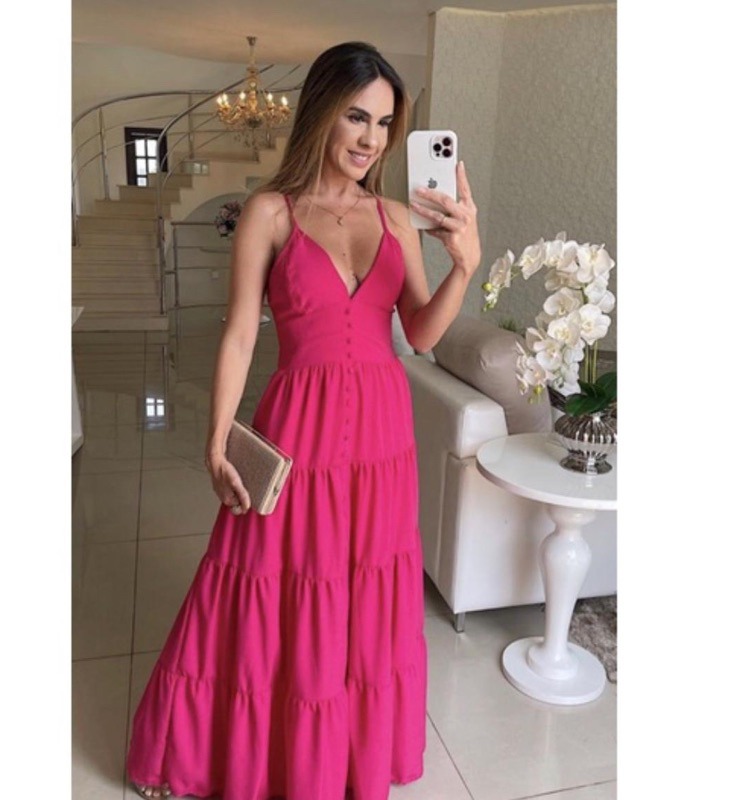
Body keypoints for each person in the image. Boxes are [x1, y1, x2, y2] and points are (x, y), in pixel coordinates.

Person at [127, 41, 481, 800]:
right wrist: (216, 441)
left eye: (384, 124)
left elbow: (420, 334)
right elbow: (238, 334)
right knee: (266, 587)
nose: (370, 139)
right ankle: (238, 756)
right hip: (298, 433)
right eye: (356, 116)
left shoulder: (397, 217)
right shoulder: (270, 211)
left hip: (383, 440)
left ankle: (344, 763)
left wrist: (465, 264)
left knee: (363, 594)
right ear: (320, 110)